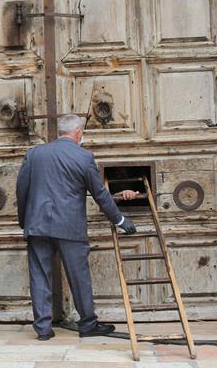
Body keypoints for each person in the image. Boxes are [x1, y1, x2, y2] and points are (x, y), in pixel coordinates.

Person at [16, 114, 138, 341]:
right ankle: (88, 324)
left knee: (39, 275)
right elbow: (100, 194)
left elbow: (21, 189)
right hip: (69, 226)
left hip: (37, 224)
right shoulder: (84, 157)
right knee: (78, 276)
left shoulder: (34, 153)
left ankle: (43, 329)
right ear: (78, 132)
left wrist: (25, 221)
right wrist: (120, 220)